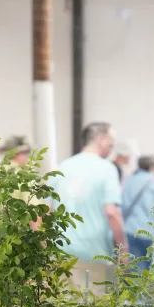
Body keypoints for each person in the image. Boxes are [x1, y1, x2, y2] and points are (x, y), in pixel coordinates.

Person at [50, 122, 126, 293]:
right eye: (111, 140)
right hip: (94, 254)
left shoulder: (62, 167)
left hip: (60, 253)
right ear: (100, 139)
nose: (113, 146)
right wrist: (124, 251)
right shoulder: (107, 169)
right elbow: (111, 212)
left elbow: (43, 210)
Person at [121, 155, 154, 271]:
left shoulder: (127, 182)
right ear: (153, 167)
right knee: (149, 272)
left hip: (129, 232)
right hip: (149, 233)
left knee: (134, 269)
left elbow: (121, 207)